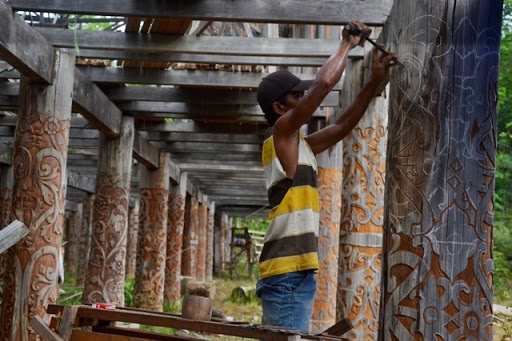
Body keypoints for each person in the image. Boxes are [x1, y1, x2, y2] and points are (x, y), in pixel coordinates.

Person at [255, 21, 396, 332]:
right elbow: (321, 87)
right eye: (296, 97)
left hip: (295, 270)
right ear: (280, 107)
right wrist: (347, 44)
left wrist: (374, 83)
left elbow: (343, 126)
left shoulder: (300, 145)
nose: (304, 99)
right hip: (287, 271)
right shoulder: (281, 133)